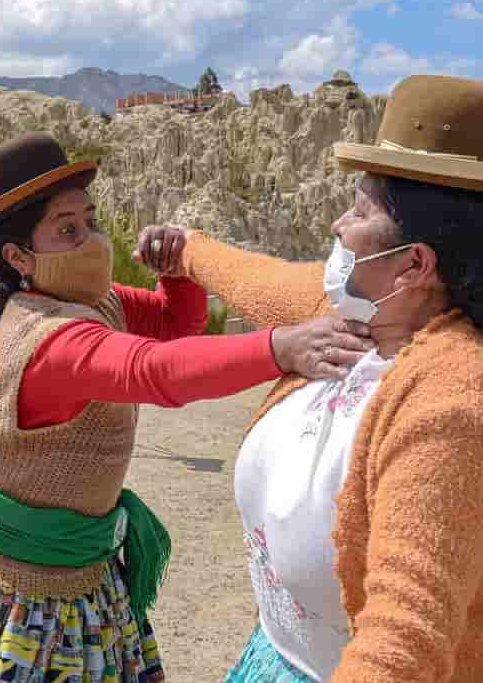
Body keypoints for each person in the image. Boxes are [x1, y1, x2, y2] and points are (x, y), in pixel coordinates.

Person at [0, 133, 371, 683]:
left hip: (62, 562)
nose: (92, 241)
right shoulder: (51, 337)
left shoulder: (89, 301)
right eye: (66, 230)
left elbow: (173, 328)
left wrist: (177, 275)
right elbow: (153, 371)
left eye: (92, 221)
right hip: (0, 575)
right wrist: (280, 346)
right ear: (19, 258)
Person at [170, 74, 483, 682]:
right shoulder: (357, 315)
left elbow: (405, 641)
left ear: (415, 264)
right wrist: (185, 250)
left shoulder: (451, 407)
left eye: (361, 209)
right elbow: (254, 278)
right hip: (279, 654)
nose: (339, 225)